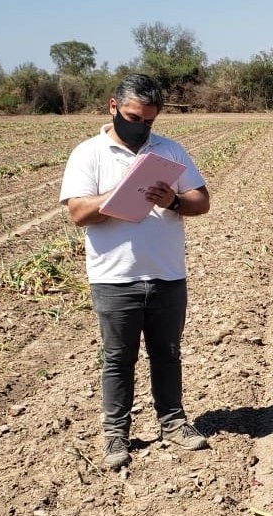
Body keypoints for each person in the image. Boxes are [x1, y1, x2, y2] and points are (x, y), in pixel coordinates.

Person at [59, 73, 211, 469]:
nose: (141, 127)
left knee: (168, 354)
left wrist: (173, 200)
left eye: (149, 121)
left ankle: (173, 422)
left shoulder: (169, 152)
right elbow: (78, 212)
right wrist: (121, 192)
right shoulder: (88, 154)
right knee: (117, 359)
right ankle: (116, 436)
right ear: (113, 107)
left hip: (166, 274)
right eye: (133, 117)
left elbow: (201, 200)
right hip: (114, 278)